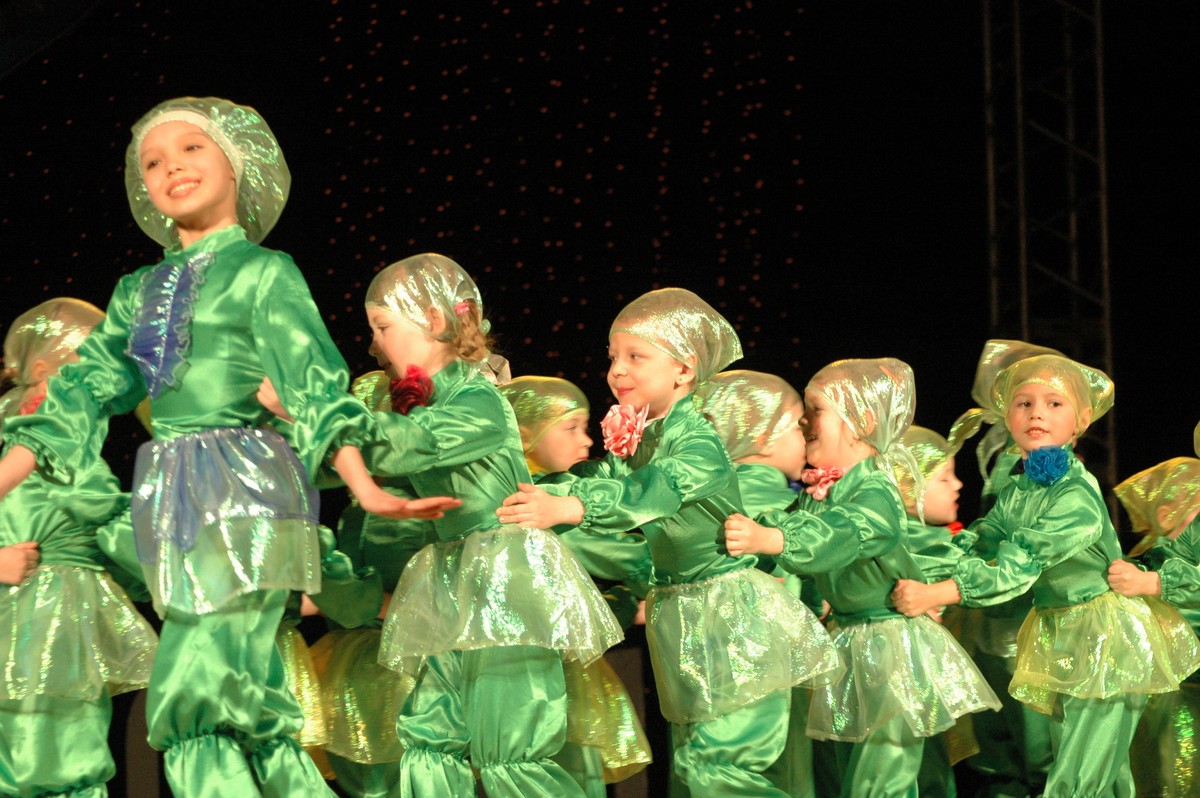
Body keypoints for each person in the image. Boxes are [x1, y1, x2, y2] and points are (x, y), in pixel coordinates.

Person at [0, 97, 456, 797]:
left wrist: (364, 487)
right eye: (153, 161)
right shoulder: (137, 291)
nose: (172, 168)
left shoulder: (264, 272)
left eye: (192, 149)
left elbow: (309, 383)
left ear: (237, 165)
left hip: (245, 484)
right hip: (171, 494)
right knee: (247, 700)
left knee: (193, 696)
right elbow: (83, 390)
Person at [498, 287, 841, 797]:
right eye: (613, 357)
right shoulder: (646, 439)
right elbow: (602, 479)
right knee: (693, 767)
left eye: (636, 356)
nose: (617, 370)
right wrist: (525, 488)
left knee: (714, 768)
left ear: (683, 369)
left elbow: (657, 490)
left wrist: (572, 507)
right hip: (685, 614)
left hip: (733, 618)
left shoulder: (697, 441)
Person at [352, 253, 623, 797]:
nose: (374, 345)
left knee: (511, 742)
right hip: (452, 576)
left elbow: (409, 447)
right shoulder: (424, 406)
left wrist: (323, 424)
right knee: (431, 735)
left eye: (383, 327)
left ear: (433, 321)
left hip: (506, 578)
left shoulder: (478, 400)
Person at [892, 353, 1200, 798]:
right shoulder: (1021, 488)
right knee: (1103, 774)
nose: (1036, 413)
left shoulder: (1074, 494)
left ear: (1081, 420)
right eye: (1024, 403)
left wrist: (937, 593)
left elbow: (1022, 563)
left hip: (1104, 639)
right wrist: (908, 553)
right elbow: (981, 541)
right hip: (1061, 631)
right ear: (1008, 417)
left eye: (1054, 403)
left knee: (1077, 775)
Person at [723, 357, 1000, 798]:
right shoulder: (823, 494)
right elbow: (794, 534)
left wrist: (772, 539)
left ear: (862, 422)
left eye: (816, 410)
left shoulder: (875, 491)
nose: (803, 421)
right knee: (849, 774)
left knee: (881, 776)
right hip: (850, 640)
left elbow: (846, 533)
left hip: (890, 645)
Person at [0, 298, 158, 797]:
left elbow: (107, 525)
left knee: (48, 754)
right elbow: (106, 515)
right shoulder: (39, 437)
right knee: (42, 759)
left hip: (51, 609)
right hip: (41, 610)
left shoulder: (66, 442)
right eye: (83, 375)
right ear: (42, 371)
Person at [500, 374, 653, 796]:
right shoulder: (545, 500)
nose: (586, 441)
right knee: (568, 770)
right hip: (549, 669)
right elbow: (627, 556)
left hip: (517, 666)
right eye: (571, 428)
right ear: (524, 435)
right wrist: (657, 584)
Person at [694, 368, 822, 798]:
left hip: (704, 660)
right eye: (798, 427)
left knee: (705, 757)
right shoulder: (786, 506)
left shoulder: (702, 501)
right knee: (777, 769)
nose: (807, 439)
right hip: (771, 663)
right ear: (763, 436)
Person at [1106, 453, 1200, 798]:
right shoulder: (1156, 559)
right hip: (1177, 687)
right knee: (1171, 770)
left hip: (1184, 684)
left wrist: (1153, 582)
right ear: (1165, 514)